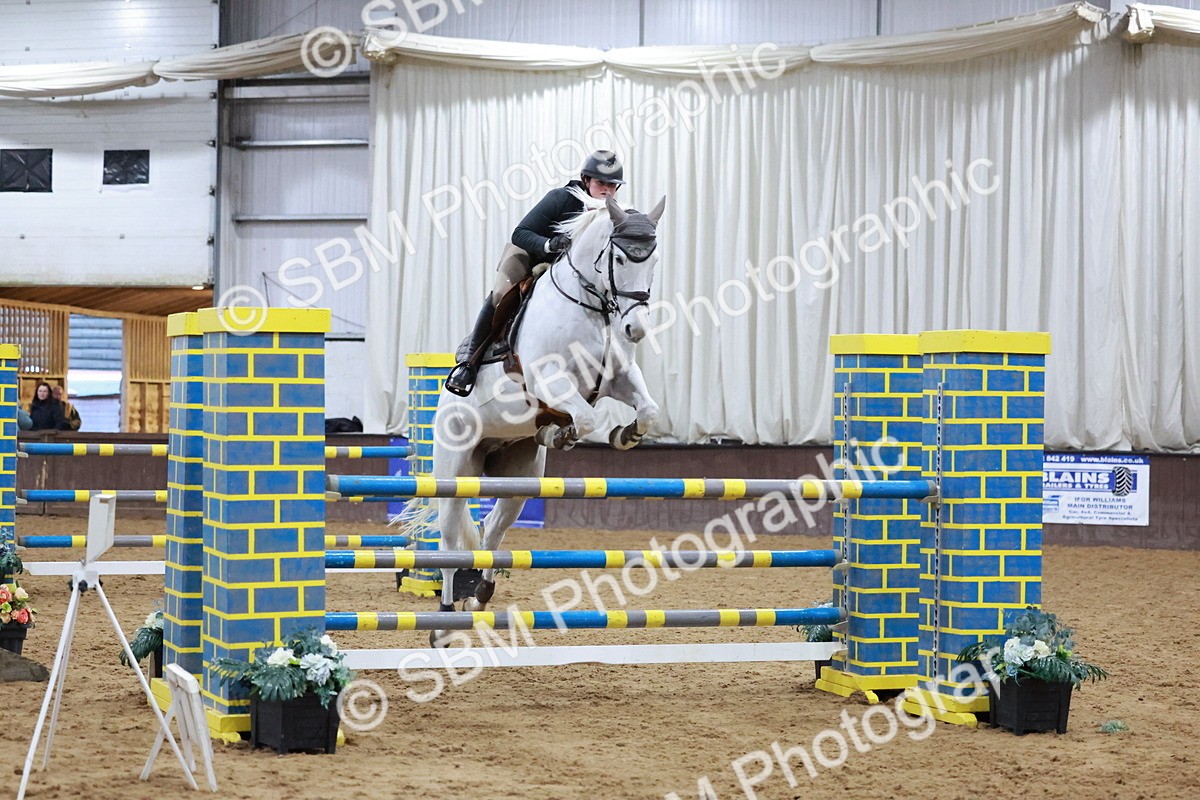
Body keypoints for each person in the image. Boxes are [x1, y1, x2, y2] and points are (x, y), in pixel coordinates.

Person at [444, 149, 625, 397]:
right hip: (529, 255)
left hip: (567, 272)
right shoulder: (562, 198)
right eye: (601, 183)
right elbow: (520, 233)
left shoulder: (611, 214)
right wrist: (549, 245)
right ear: (586, 180)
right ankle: (469, 362)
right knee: (500, 295)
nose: (607, 190)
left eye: (612, 185)